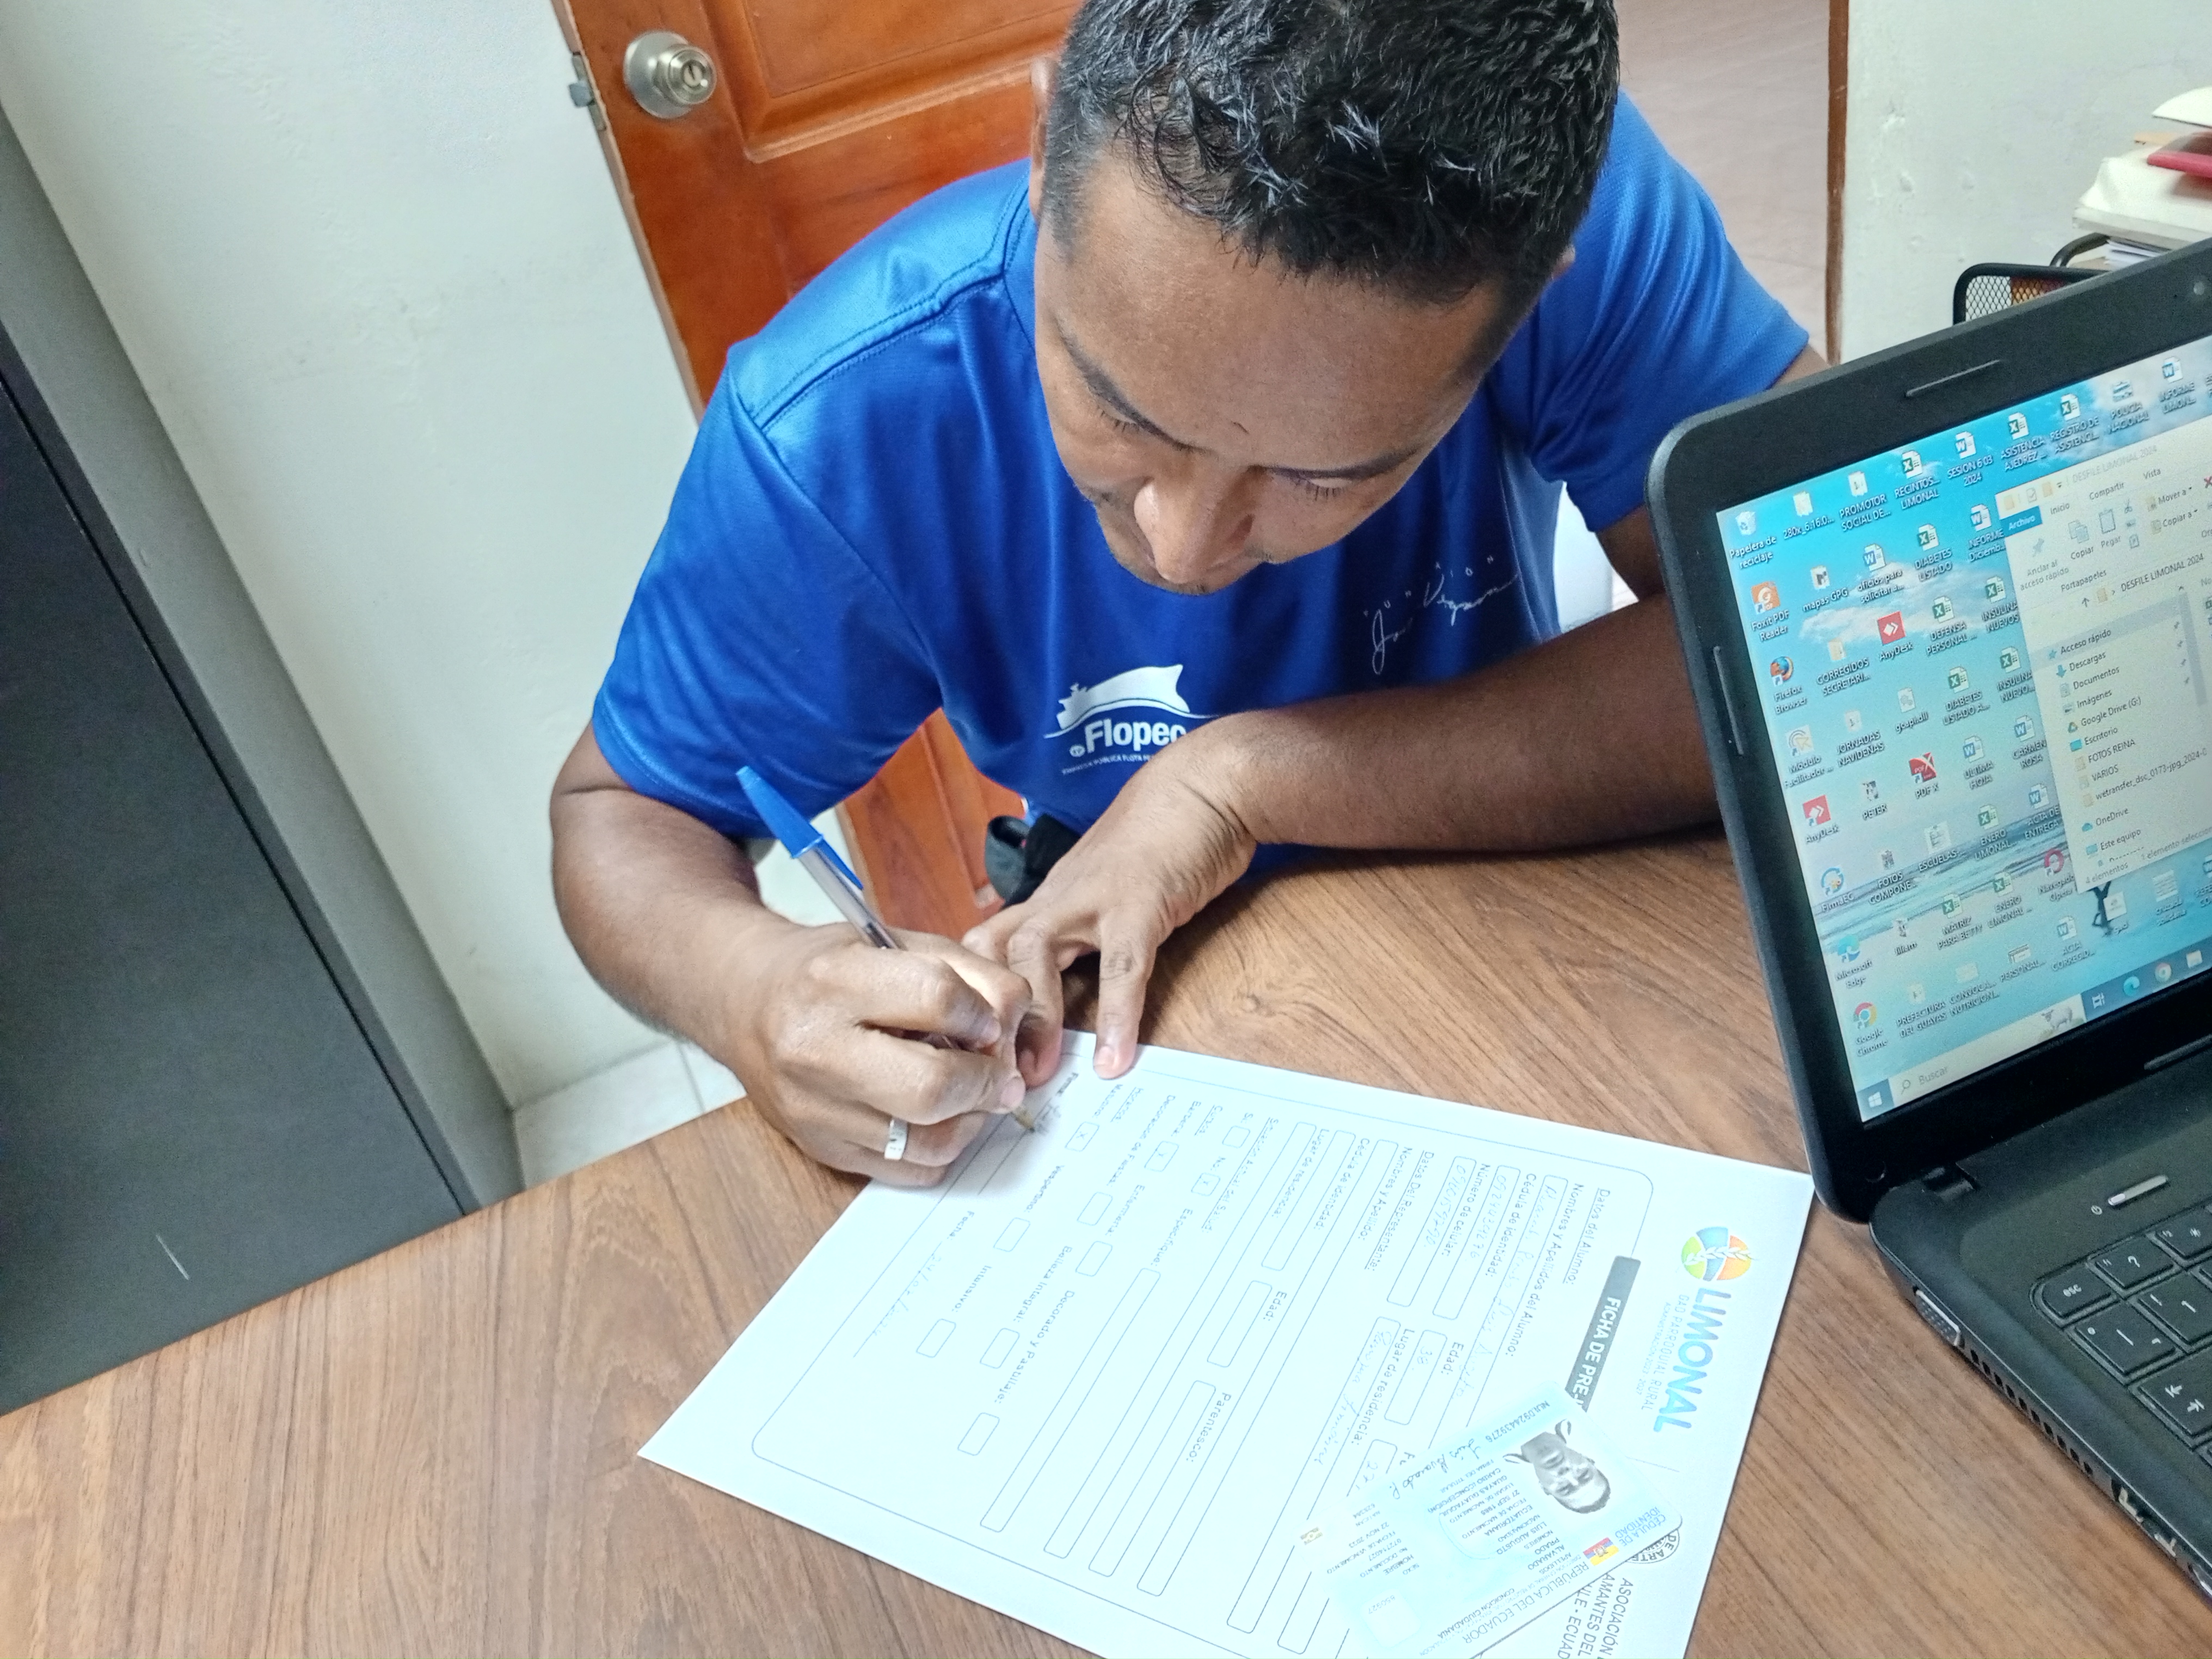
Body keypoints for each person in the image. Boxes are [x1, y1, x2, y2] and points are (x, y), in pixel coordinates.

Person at [549, 0, 1820, 1185]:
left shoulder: (1548, 221)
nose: (1184, 543)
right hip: (1138, 968)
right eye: (1116, 409)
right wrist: (756, 992)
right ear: (1043, 150)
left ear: (1532, 300)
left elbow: (1814, 623)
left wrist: (1244, 781)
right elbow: (624, 813)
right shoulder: (843, 418)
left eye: (1317, 475)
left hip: (1507, 897)